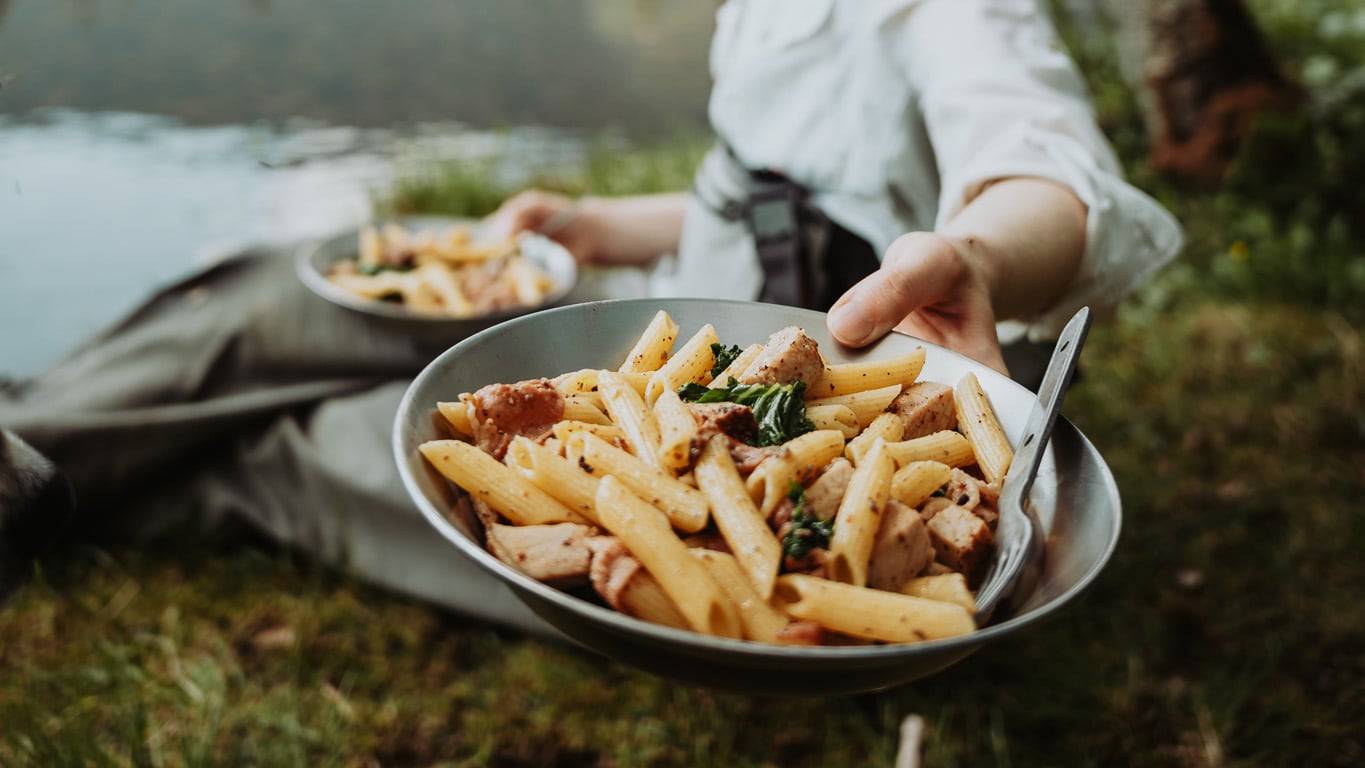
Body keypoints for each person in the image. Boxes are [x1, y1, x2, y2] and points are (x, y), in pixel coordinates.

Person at [1, 0, 1181, 629]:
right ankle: (32, 436)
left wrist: (975, 250)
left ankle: (49, 480)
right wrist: (605, 222)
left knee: (302, 445)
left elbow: (1053, 180)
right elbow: (757, 184)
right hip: (645, 349)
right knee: (266, 295)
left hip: (770, 428)